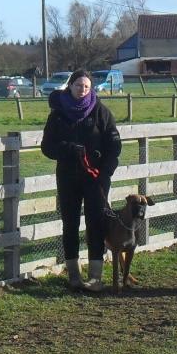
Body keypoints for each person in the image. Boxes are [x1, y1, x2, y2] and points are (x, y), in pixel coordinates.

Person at [41, 69, 122, 291]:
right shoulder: (58, 114)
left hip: (96, 178)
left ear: (91, 88)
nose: (82, 90)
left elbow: (114, 146)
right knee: (70, 223)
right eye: (78, 85)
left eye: (86, 86)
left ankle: (95, 276)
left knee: (95, 223)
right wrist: (68, 149)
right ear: (70, 86)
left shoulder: (101, 113)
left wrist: (105, 172)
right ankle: (74, 274)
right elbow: (47, 146)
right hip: (68, 176)